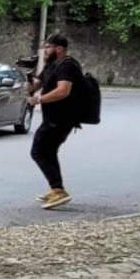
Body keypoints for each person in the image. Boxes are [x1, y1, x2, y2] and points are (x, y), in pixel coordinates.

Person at [28, 33, 85, 209]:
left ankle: (58, 191)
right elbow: (35, 85)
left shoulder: (67, 66)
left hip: (62, 118)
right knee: (48, 151)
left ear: (59, 49)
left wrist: (39, 99)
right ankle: (55, 188)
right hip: (53, 118)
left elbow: (63, 91)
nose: (45, 51)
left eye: (48, 47)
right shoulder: (52, 65)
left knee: (39, 151)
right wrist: (28, 76)